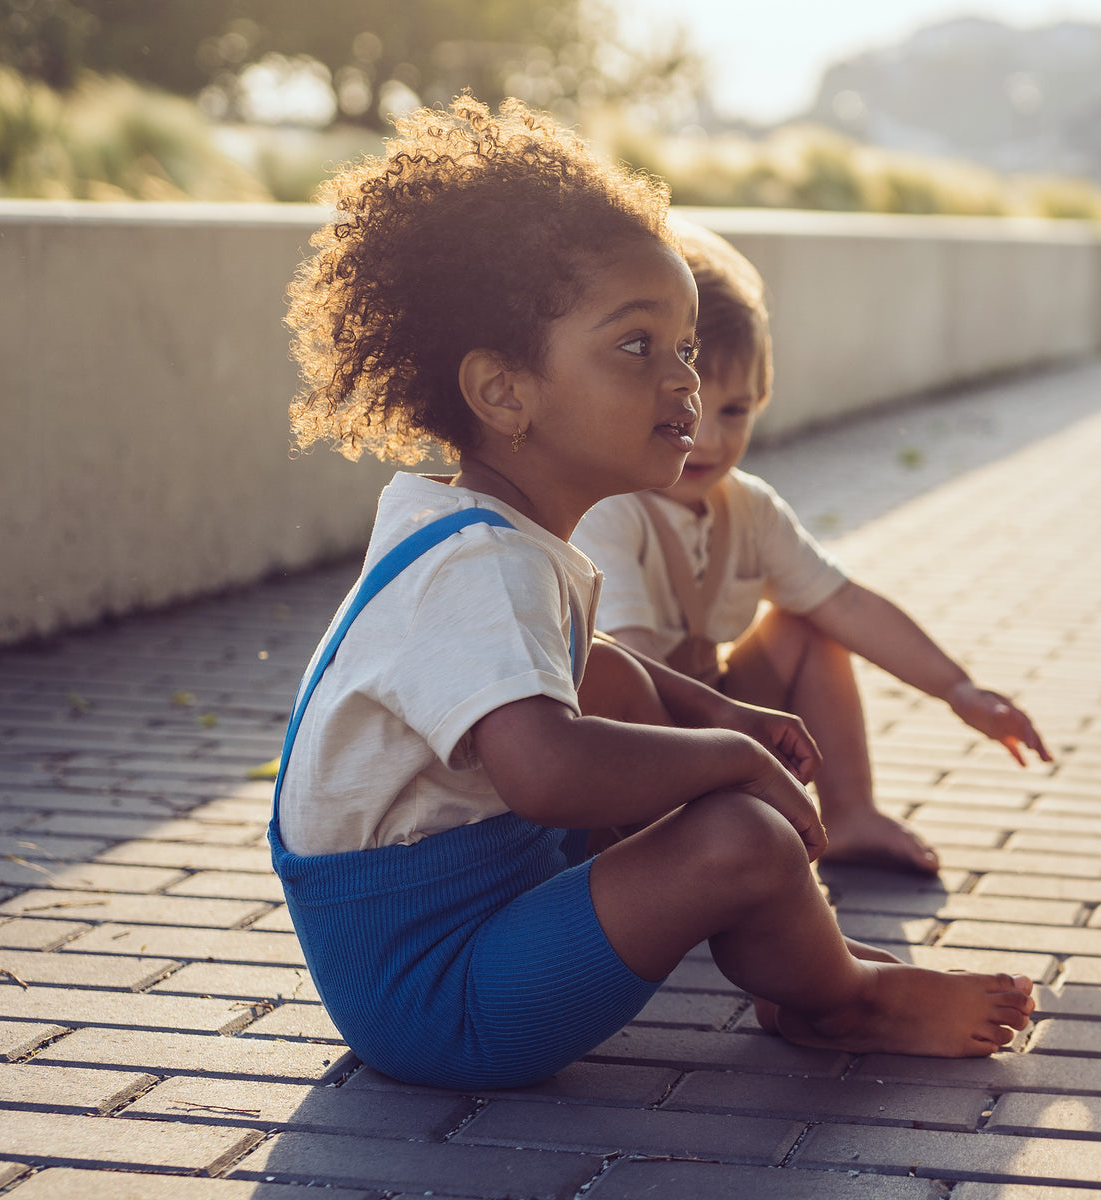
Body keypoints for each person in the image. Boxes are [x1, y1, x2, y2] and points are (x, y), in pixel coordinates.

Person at [270, 95, 1035, 1091]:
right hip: (440, 996)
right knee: (739, 833)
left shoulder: (483, 533)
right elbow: (545, 769)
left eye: (683, 348)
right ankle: (840, 997)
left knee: (628, 697)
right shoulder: (478, 565)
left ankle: (793, 962)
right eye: (638, 346)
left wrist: (709, 705)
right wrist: (724, 757)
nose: (680, 380)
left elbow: (585, 669)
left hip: (480, 911)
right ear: (504, 392)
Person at [574, 220, 1051, 876]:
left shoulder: (750, 507)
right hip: (632, 752)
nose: (706, 440)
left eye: (734, 412)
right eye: (684, 405)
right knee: (624, 681)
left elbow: (846, 603)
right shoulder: (609, 508)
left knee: (809, 626)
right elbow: (634, 670)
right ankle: (672, 842)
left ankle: (851, 811)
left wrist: (958, 689)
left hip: (712, 724)